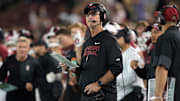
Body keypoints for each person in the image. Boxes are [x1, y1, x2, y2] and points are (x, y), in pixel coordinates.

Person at [79, 3, 123, 101]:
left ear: (103, 16)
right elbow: (86, 70)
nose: (90, 17)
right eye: (88, 14)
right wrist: (73, 69)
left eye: (94, 13)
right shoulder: (87, 42)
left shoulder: (109, 40)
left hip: (103, 95)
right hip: (86, 95)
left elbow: (117, 67)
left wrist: (98, 83)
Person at [151, 5, 180, 101]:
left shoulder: (165, 38)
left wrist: (158, 96)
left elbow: (162, 67)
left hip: (173, 94)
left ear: (161, 19)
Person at [0, 37, 42, 101]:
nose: (22, 49)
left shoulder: (34, 62)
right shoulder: (9, 60)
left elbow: (40, 78)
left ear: (28, 48)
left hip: (28, 96)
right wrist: (5, 86)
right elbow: (1, 76)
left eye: (24, 47)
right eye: (20, 47)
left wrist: (33, 85)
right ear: (16, 48)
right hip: (12, 96)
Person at [115, 28, 144, 101]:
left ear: (123, 38)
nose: (116, 40)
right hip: (123, 94)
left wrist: (113, 80)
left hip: (131, 94)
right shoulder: (121, 53)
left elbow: (131, 78)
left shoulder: (132, 54)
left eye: (118, 38)